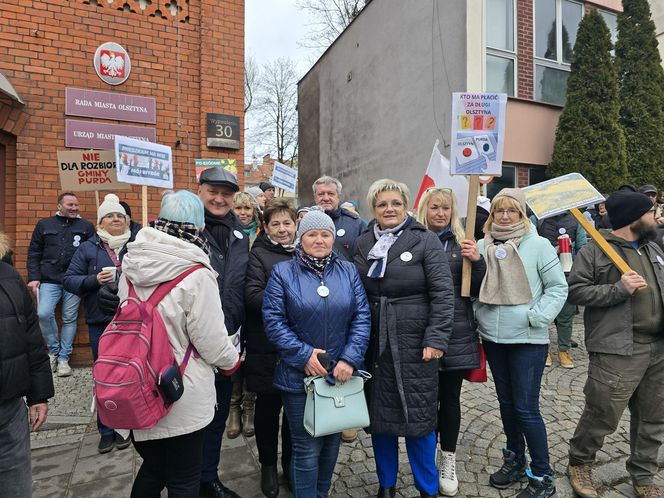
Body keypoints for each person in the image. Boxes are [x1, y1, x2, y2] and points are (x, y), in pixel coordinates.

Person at [115, 190, 239, 497]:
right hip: (180, 390)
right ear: (198, 226)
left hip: (139, 383)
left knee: (155, 468)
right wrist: (231, 361)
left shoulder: (131, 265)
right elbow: (210, 340)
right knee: (184, 478)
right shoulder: (197, 272)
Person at [353, 179, 454, 498]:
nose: (389, 209)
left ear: (407, 206)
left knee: (419, 419)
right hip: (374, 341)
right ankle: (387, 484)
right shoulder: (362, 241)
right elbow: (355, 291)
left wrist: (436, 338)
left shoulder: (425, 241)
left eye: (396, 203)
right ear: (373, 208)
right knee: (380, 419)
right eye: (382, 204)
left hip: (415, 341)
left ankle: (427, 487)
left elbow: (442, 294)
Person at [262, 209, 371, 498]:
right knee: (307, 447)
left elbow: (362, 316)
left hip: (340, 373)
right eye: (312, 234)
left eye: (325, 234)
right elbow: (273, 321)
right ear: (301, 238)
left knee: (332, 441)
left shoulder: (347, 271)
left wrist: (350, 358)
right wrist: (304, 356)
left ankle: (321, 493)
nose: (319, 240)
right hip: (299, 376)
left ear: (333, 238)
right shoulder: (283, 273)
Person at [566, 190, 664, 498]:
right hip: (618, 349)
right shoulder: (596, 252)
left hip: (658, 348)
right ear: (634, 218)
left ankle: (644, 475)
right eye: (650, 213)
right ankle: (580, 464)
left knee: (653, 416)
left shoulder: (653, 249)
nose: (655, 218)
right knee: (602, 413)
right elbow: (577, 292)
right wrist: (618, 289)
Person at [475, 188, 567, 498]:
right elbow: (472, 289)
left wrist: (537, 317)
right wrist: (479, 314)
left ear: (522, 215)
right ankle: (514, 460)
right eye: (498, 210)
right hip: (493, 338)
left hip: (528, 337)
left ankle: (542, 476)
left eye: (511, 211)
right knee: (506, 404)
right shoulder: (480, 246)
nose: (503, 216)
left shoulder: (538, 245)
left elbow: (558, 288)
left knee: (526, 408)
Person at [415, 187, 486, 496]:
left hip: (457, 332)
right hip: (421, 331)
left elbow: (480, 288)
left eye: (445, 208)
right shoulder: (413, 240)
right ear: (424, 210)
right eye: (434, 207)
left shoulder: (462, 244)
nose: (440, 213)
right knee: (427, 399)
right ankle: (427, 459)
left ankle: (448, 458)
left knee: (450, 398)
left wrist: (478, 261)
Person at [63, 194, 134, 453]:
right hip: (100, 322)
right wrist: (95, 280)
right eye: (109, 216)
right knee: (104, 377)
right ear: (100, 222)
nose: (115, 219)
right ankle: (105, 428)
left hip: (132, 322)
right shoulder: (88, 248)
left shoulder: (137, 244)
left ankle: (125, 426)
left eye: (119, 215)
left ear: (126, 220)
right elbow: (69, 280)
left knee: (129, 375)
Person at [198, 167, 250, 498]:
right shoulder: (186, 229)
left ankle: (208, 477)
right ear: (199, 191)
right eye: (213, 191)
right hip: (192, 343)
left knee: (217, 416)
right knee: (192, 418)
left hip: (229, 339)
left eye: (226, 194)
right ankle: (185, 479)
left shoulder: (241, 234)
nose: (220, 199)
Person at [245, 199, 297, 497]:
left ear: (295, 225)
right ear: (266, 227)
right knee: (268, 408)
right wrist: (294, 298)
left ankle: (290, 463)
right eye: (275, 224)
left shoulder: (305, 253)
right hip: (266, 344)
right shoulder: (259, 255)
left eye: (286, 223)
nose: (281, 229)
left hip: (298, 346)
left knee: (294, 412)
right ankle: (267, 465)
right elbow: (252, 295)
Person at [0, 232, 54, 498]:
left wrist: (39, 394)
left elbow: (32, 338)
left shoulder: (8, 276)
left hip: (8, 408)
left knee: (15, 484)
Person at [27, 192, 95, 377]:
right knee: (43, 313)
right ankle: (54, 351)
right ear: (59, 206)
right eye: (70, 205)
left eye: (76, 205)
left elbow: (92, 253)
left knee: (69, 318)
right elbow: (34, 252)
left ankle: (64, 358)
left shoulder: (86, 227)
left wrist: (88, 279)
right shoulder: (44, 225)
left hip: (74, 281)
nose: (74, 208)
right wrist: (34, 277)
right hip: (49, 280)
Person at [532, 212, 587, 368]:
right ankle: (545, 349)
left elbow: (583, 247)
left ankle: (564, 349)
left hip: (567, 272)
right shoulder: (537, 218)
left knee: (566, 313)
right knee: (543, 310)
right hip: (542, 273)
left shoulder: (577, 218)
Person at [313, 175, 367, 263]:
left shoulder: (357, 225)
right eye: (321, 194)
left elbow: (364, 260)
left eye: (331, 194)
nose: (326, 198)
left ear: (338, 197)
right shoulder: (306, 224)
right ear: (315, 198)